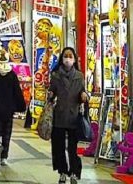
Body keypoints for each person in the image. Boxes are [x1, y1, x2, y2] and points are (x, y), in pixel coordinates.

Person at [48, 47, 88, 184]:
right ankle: (62, 171)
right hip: (59, 115)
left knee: (73, 148)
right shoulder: (55, 75)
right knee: (58, 146)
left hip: (73, 116)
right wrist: (50, 95)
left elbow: (83, 92)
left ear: (74, 59)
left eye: (70, 56)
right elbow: (51, 92)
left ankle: (74, 172)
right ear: (62, 58)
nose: (68, 59)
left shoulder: (79, 76)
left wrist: (84, 96)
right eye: (66, 56)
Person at [0, 50, 25, 166]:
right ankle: (4, 157)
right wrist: (21, 105)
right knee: (7, 133)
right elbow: (17, 92)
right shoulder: (11, 74)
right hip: (9, 108)